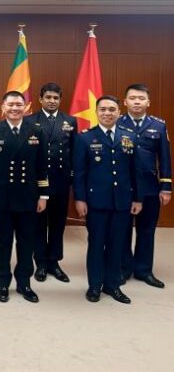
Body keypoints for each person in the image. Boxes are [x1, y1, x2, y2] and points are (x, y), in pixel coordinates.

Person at [0, 91, 49, 304]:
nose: (15, 108)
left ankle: (24, 283)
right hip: (3, 197)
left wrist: (43, 195)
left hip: (29, 196)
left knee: (26, 241)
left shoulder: (36, 130)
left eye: (19, 104)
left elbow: (42, 166)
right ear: (3, 107)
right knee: (3, 241)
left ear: (25, 107)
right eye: (10, 104)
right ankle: (2, 283)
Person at [74, 95, 143, 304]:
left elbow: (136, 171)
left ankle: (113, 285)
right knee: (96, 244)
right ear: (96, 112)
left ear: (119, 113)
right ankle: (95, 286)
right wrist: (80, 199)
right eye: (103, 109)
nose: (107, 113)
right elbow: (79, 173)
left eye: (112, 109)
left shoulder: (129, 136)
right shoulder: (85, 138)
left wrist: (138, 198)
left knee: (117, 244)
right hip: (96, 202)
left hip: (122, 201)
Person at [120, 84, 171, 288]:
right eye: (133, 98)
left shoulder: (158, 125)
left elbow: (165, 158)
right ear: (125, 102)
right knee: (123, 230)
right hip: (124, 186)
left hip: (150, 187)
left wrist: (166, 187)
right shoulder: (117, 123)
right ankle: (123, 267)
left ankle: (143, 270)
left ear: (148, 102)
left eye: (141, 98)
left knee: (147, 230)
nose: (137, 102)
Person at [25, 83, 76, 283]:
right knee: (38, 223)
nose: (52, 101)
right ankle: (40, 262)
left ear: (60, 100)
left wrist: (72, 179)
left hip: (61, 181)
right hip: (38, 182)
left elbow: (73, 152)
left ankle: (54, 262)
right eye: (48, 97)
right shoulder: (30, 120)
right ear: (41, 99)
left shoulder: (69, 121)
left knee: (58, 223)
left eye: (55, 98)